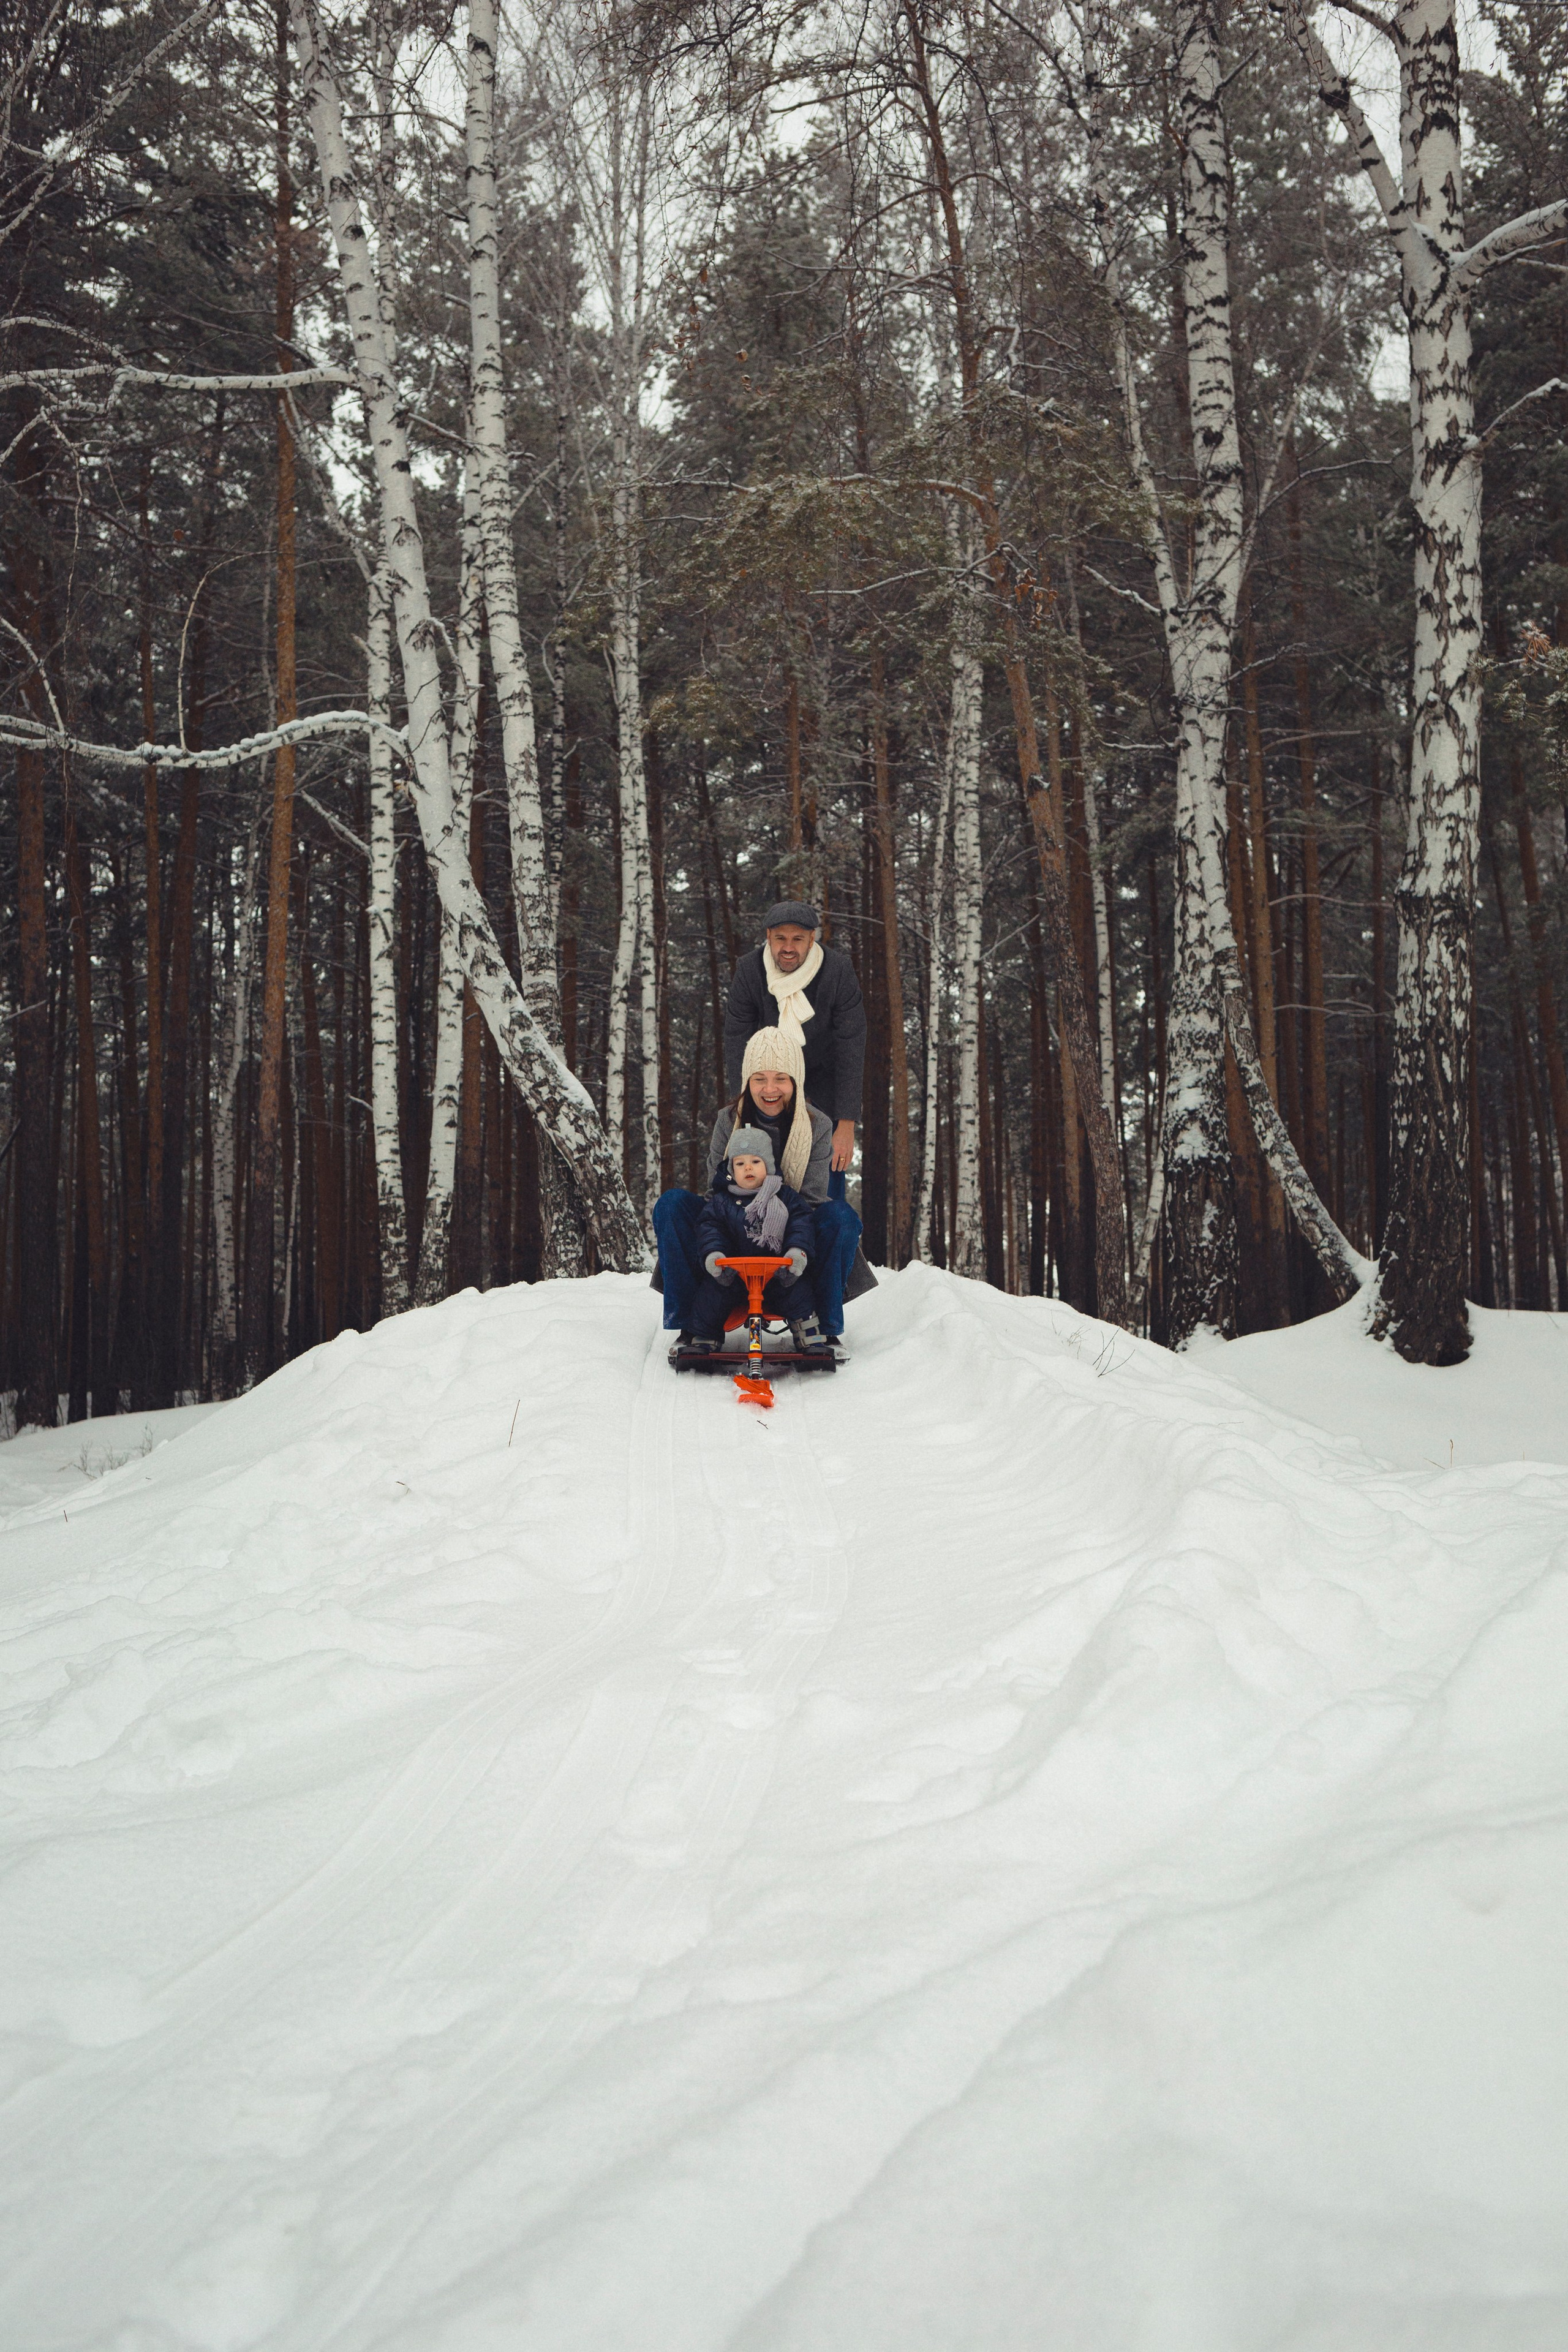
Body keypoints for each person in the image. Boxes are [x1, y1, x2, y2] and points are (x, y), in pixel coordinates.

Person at [653, 1026, 869, 1359]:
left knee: (840, 1216)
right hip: (731, 1231)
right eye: (759, 1079)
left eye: (781, 1078)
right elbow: (718, 1188)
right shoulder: (729, 1120)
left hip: (792, 1242)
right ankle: (691, 1325)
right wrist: (733, 1237)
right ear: (746, 1081)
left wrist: (777, 1243)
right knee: (672, 1205)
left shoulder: (818, 1125)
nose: (770, 1089)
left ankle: (823, 1328)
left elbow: (810, 1202)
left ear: (795, 1081)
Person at [723, 901, 865, 1198]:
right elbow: (737, 1041)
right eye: (781, 939)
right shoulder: (750, 970)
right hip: (768, 1088)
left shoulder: (837, 970)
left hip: (823, 1089)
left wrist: (846, 1124)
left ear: (812, 939)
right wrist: (741, 1107)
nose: (788, 948)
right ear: (768, 937)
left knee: (826, 1184)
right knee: (761, 1173)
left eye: (797, 939)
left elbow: (851, 1047)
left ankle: (828, 1234)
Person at [680, 1129, 817, 1352]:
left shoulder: (786, 1197)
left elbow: (801, 1225)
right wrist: (715, 1255)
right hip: (733, 1275)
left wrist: (796, 1253)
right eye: (740, 1164)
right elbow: (710, 1229)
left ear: (769, 1166)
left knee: (799, 1294)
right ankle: (705, 1336)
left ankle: (808, 1335)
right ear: (731, 1170)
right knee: (710, 1296)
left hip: (777, 1274)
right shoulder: (721, 1202)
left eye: (755, 1161)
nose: (748, 1168)